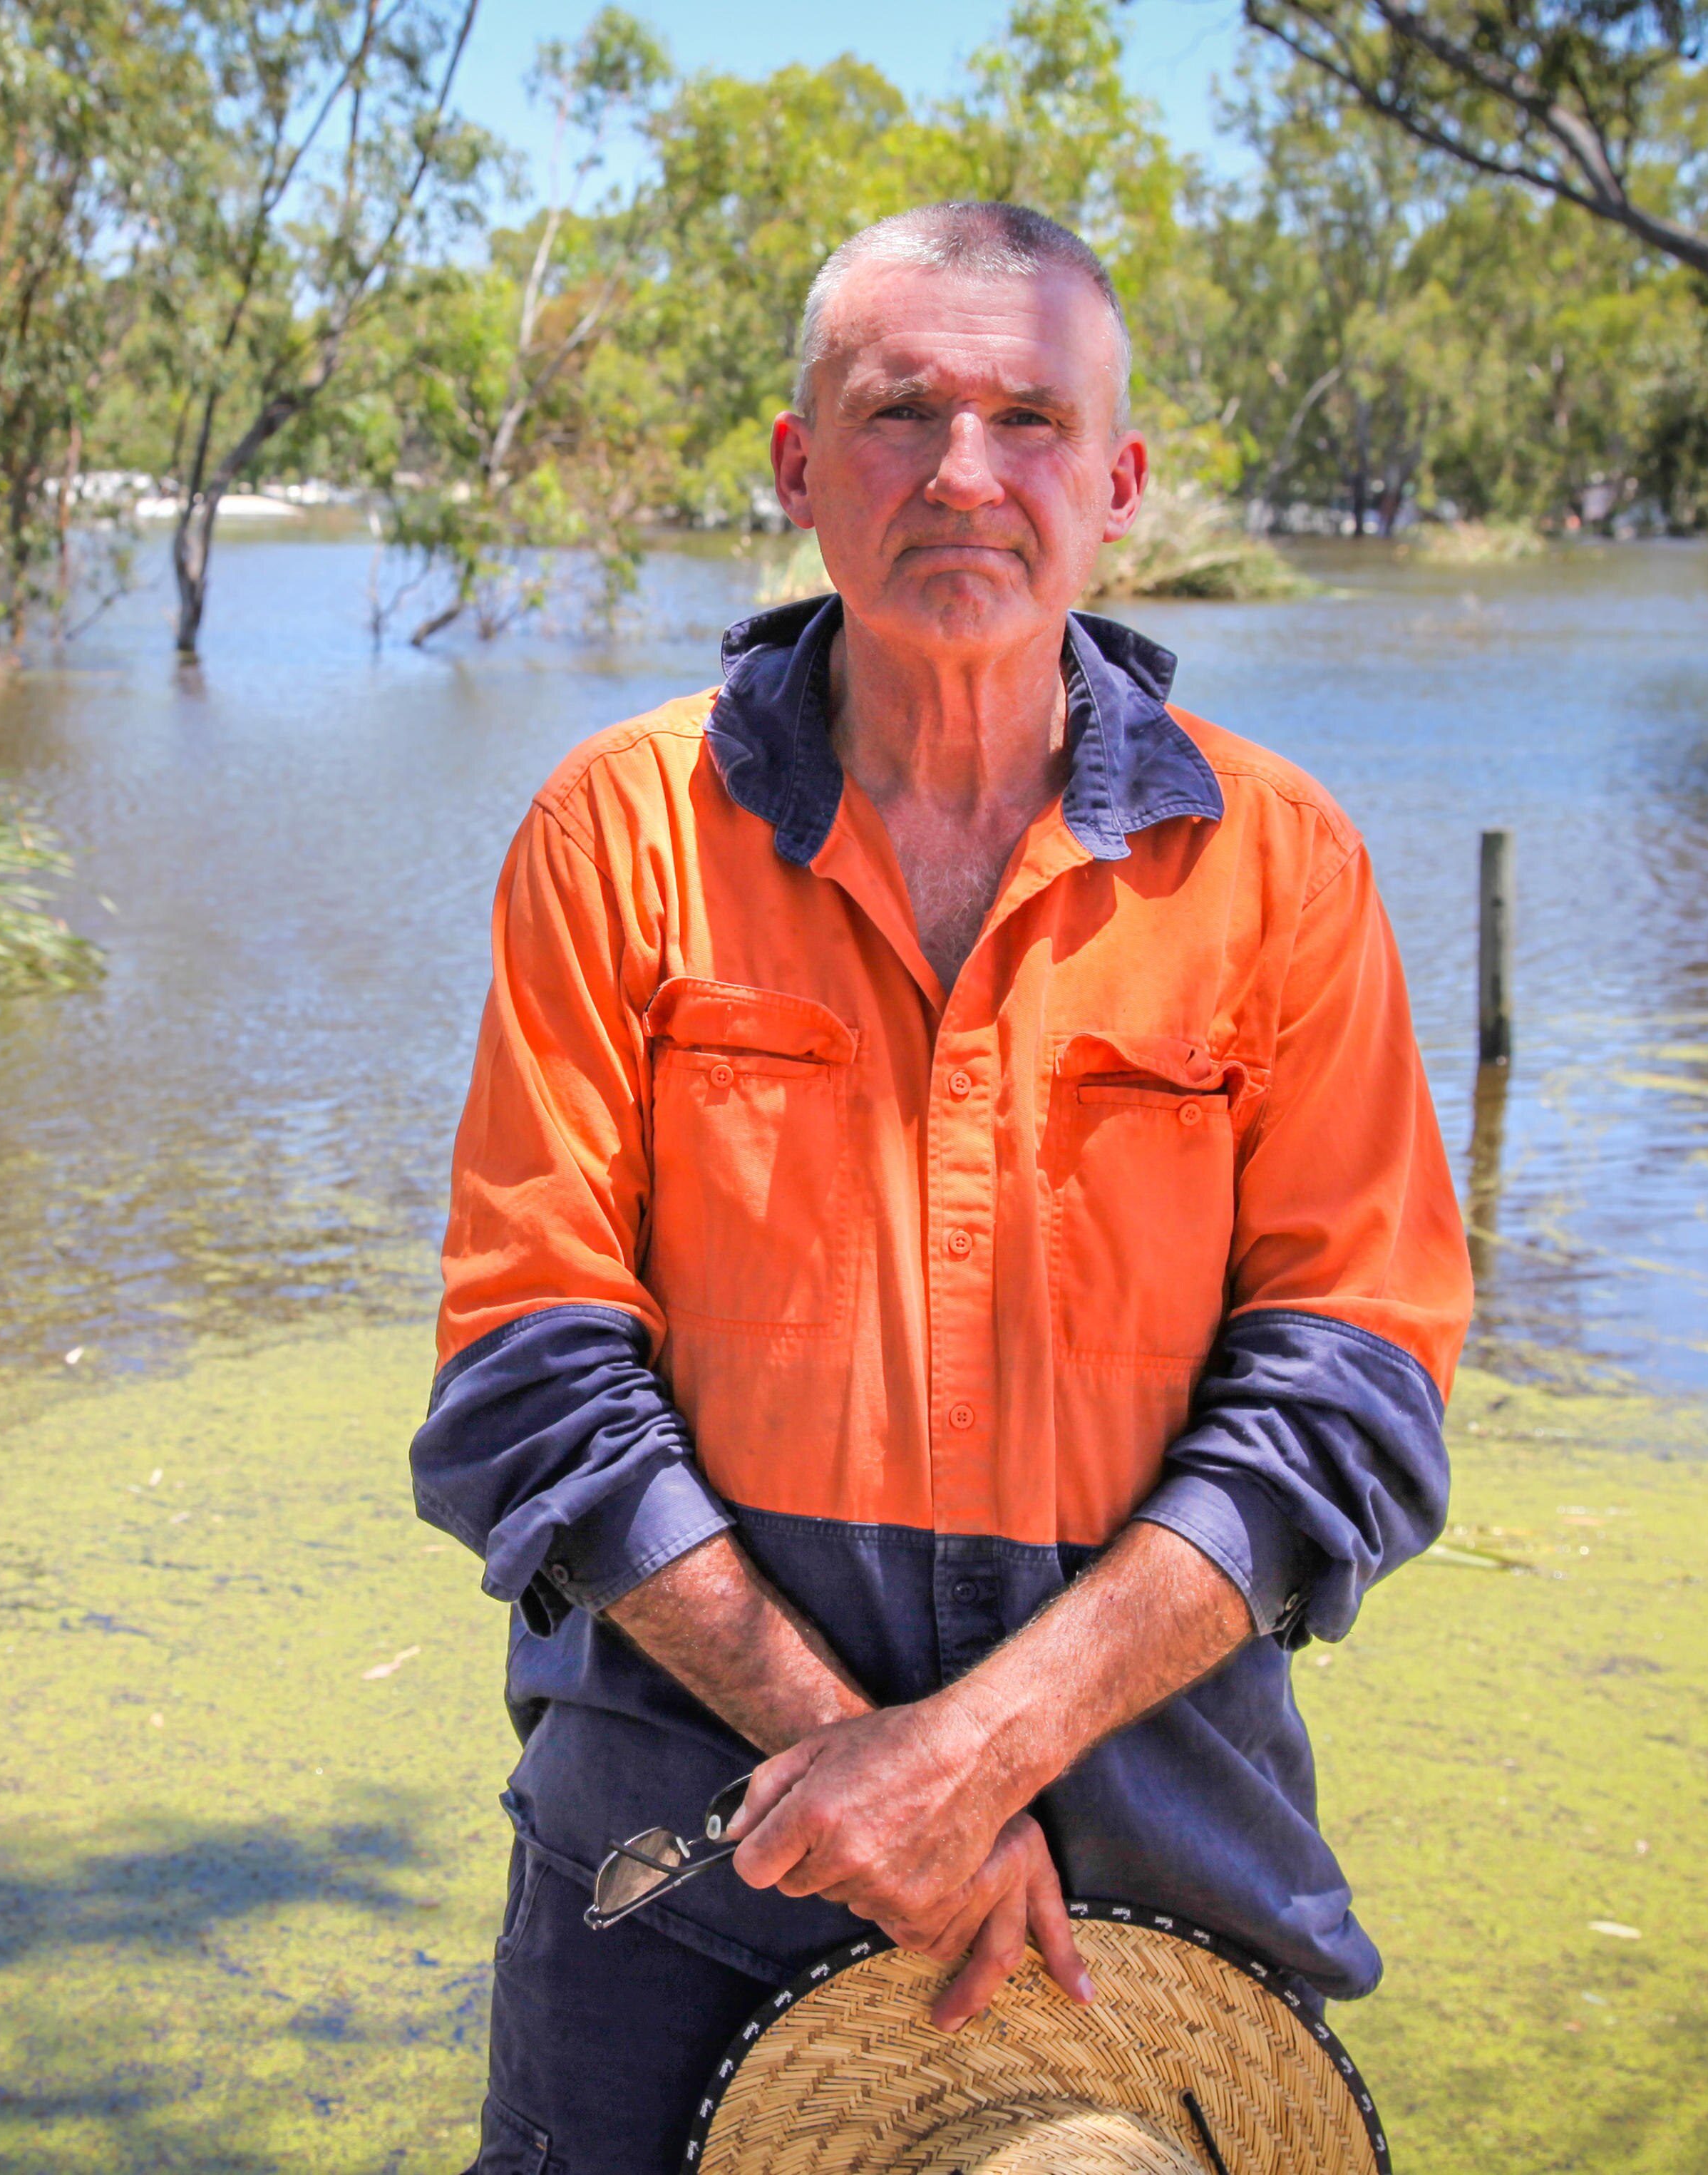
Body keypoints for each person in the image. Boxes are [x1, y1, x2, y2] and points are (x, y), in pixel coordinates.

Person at [410, 200, 1471, 2175]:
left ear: (1121, 483)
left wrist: (980, 1754)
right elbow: (530, 1367)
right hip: (677, 1844)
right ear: (800, 467)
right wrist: (860, 1768)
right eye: (900, 412)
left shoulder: (1282, 869)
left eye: (1030, 418)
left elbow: (1352, 1392)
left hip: (1153, 1834)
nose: (966, 473)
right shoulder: (620, 833)